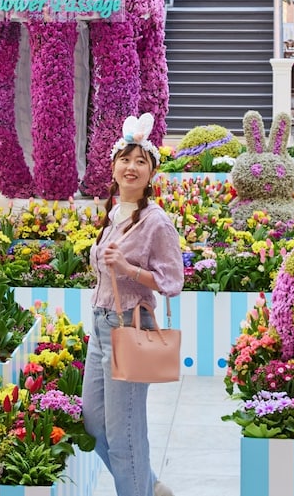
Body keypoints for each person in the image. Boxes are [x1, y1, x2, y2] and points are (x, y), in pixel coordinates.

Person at [83, 113, 184, 496]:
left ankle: (139, 490)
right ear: (113, 166)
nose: (132, 166)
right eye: (126, 159)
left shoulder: (156, 222)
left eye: (141, 161)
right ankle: (149, 486)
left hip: (129, 324)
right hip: (100, 322)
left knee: (124, 435)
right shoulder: (113, 214)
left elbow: (172, 281)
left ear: (151, 173)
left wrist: (128, 269)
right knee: (94, 424)